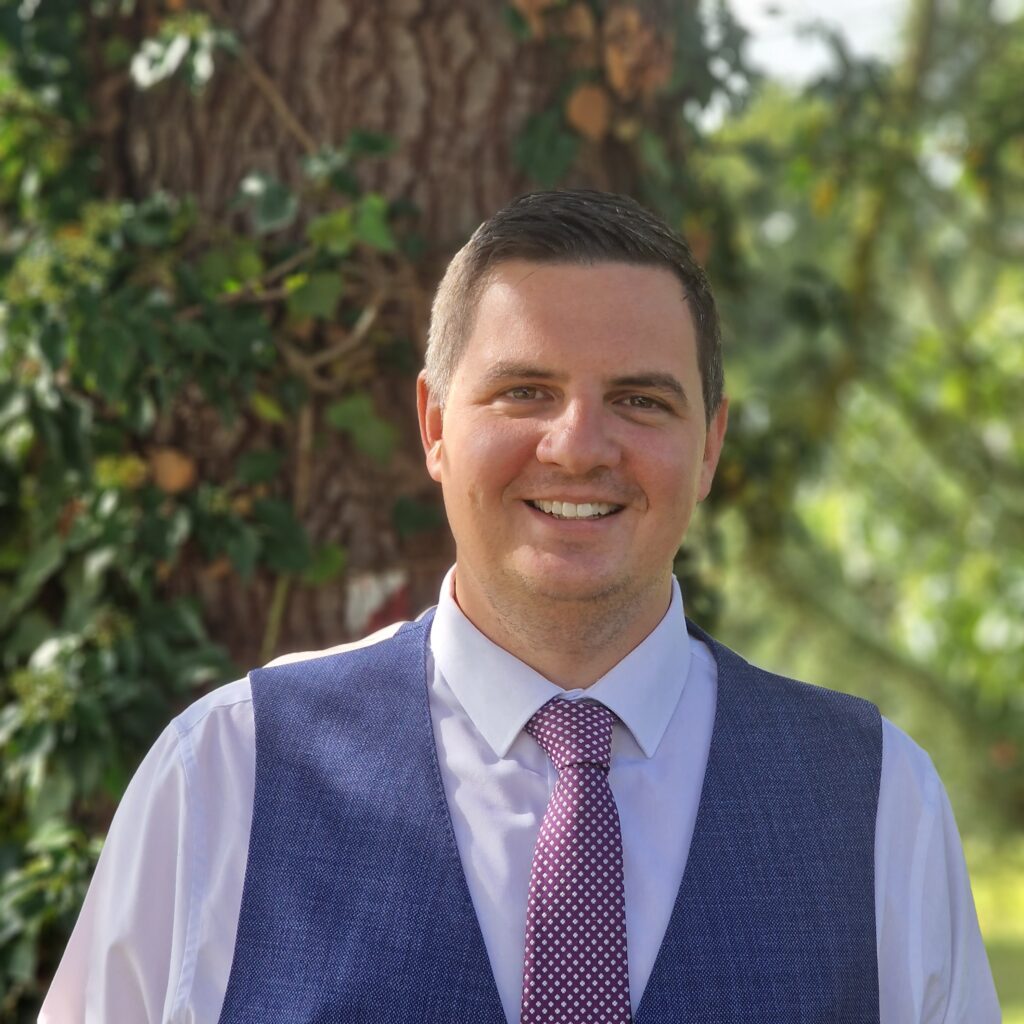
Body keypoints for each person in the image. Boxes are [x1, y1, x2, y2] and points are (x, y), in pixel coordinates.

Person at [41, 189, 999, 1023]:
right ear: (433, 427)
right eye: (525, 391)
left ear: (708, 447)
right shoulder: (228, 776)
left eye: (641, 401)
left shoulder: (876, 799)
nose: (578, 446)